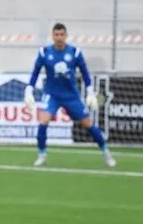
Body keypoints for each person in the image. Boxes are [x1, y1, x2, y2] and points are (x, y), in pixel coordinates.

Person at [23, 22, 115, 168]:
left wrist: (90, 92)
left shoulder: (75, 52)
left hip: (71, 96)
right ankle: (42, 155)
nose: (59, 37)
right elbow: (35, 73)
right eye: (56, 35)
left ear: (66, 35)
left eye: (61, 35)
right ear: (52, 36)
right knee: (42, 121)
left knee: (88, 124)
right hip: (52, 95)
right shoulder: (44, 52)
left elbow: (85, 73)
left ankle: (106, 152)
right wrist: (28, 91)